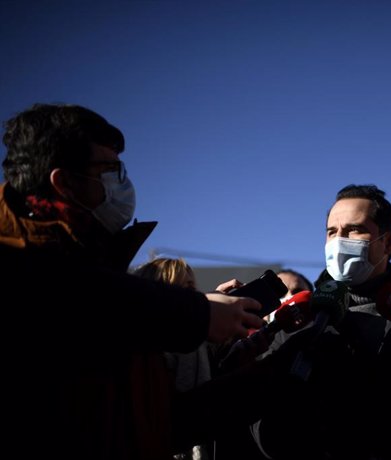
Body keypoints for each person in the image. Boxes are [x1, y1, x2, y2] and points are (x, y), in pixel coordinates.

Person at [0, 103, 269, 460]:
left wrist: (277, 373)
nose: (122, 183)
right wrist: (198, 313)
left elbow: (156, 426)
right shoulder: (29, 267)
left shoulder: (102, 277)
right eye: (109, 170)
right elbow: (72, 291)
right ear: (64, 182)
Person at [251, 184, 391, 460]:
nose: (339, 241)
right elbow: (260, 408)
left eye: (353, 230)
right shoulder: (301, 315)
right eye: (331, 232)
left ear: (389, 242)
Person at [132, 257, 214, 460]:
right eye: (184, 288)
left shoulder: (202, 343)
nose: (194, 296)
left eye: (193, 287)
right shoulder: (179, 343)